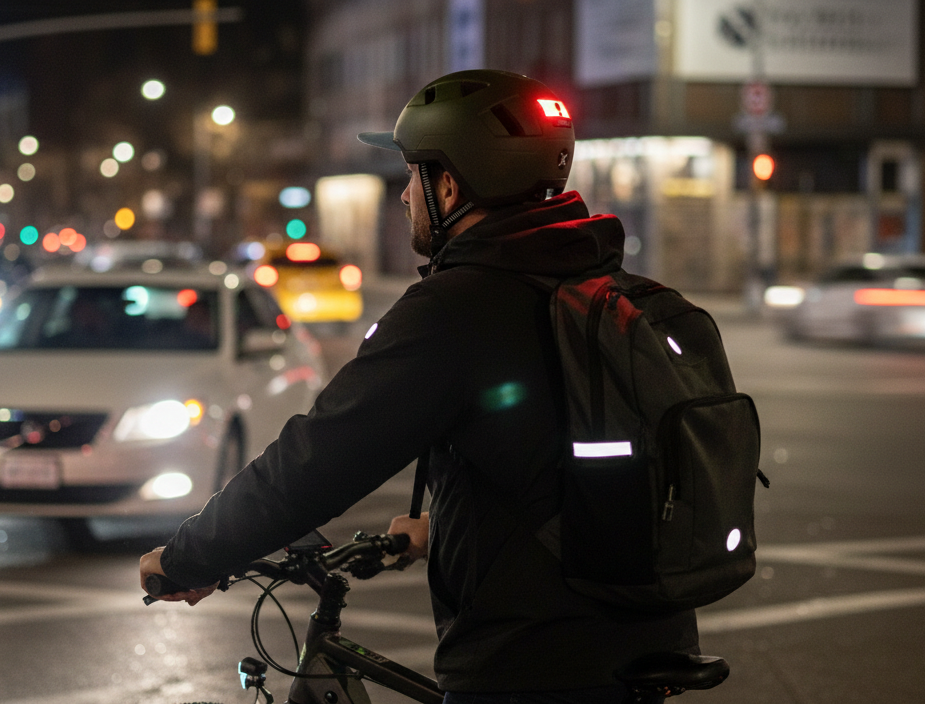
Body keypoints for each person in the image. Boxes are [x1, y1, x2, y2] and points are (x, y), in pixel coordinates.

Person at [139, 70, 696, 700]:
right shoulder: (606, 289)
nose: (404, 197)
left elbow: (321, 457)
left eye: (411, 176)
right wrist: (445, 525)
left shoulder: (457, 309)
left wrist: (190, 557)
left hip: (531, 657)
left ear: (450, 185)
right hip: (643, 625)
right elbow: (553, 452)